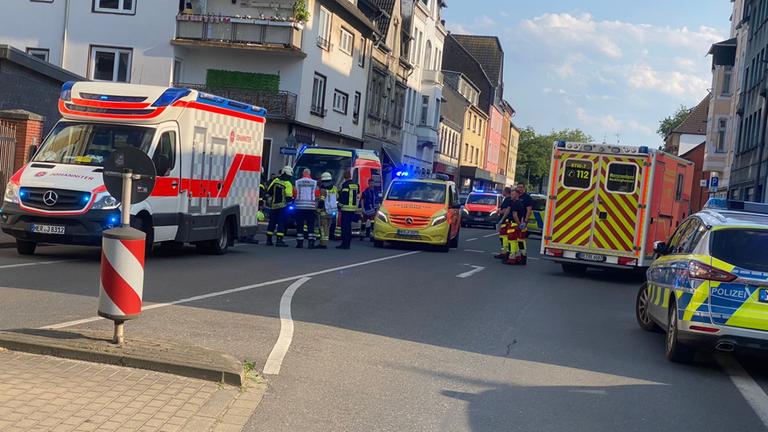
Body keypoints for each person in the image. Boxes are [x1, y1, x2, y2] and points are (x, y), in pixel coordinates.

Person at [265, 166, 294, 247]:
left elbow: (269, 191)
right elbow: (288, 197)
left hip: (274, 206)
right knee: (281, 223)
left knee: (272, 222)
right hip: (283, 207)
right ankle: (279, 240)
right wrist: (290, 204)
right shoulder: (288, 183)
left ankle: (269, 240)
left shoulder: (275, 180)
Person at [293, 168, 320, 249]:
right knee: (311, 225)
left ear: (302, 174)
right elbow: (317, 195)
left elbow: (294, 194)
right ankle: (311, 243)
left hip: (299, 207)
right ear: (309, 174)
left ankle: (299, 243)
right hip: (311, 207)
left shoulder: (297, 182)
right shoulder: (315, 183)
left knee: (299, 225)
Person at [337, 170, 360, 249]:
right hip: (353, 209)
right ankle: (348, 244)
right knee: (349, 227)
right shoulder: (356, 185)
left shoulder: (345, 185)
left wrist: (339, 206)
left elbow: (344, 197)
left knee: (345, 227)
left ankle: (344, 244)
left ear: (344, 177)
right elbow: (357, 195)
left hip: (346, 209)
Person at [316, 172, 338, 249]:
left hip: (324, 211)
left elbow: (322, 201)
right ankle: (325, 241)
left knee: (322, 227)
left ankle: (323, 243)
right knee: (327, 227)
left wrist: (318, 209)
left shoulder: (323, 189)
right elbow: (337, 197)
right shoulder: (335, 188)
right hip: (332, 211)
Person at [505, 190, 525, 265]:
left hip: (514, 224)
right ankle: (520, 256)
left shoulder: (515, 204)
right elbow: (522, 215)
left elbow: (515, 215)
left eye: (513, 194)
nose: (511, 196)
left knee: (512, 241)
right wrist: (522, 224)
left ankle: (512, 257)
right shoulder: (521, 203)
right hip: (519, 224)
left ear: (517, 195)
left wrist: (519, 224)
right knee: (519, 241)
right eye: (511, 194)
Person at [516, 183, 534, 265]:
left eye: (521, 187)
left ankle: (523, 257)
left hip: (522, 222)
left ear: (524, 188)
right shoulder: (516, 196)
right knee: (514, 240)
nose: (519, 189)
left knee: (521, 240)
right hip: (516, 222)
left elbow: (529, 210)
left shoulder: (527, 198)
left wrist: (525, 222)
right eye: (518, 187)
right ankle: (517, 256)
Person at [495, 187, 513, 260]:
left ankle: (505, 253)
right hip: (505, 220)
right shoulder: (507, 199)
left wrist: (499, 212)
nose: (502, 192)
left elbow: (506, 210)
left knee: (503, 237)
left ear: (506, 192)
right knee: (503, 237)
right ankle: (504, 252)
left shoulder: (507, 199)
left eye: (503, 191)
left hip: (505, 221)